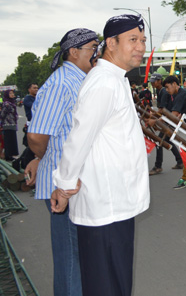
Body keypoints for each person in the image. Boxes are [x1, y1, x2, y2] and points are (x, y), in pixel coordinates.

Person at [51, 15, 150, 296]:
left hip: (116, 203)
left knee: (116, 284)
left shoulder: (114, 79)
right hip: (104, 208)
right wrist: (65, 183)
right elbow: (78, 139)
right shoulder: (103, 83)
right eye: (133, 40)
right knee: (106, 286)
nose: (140, 47)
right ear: (111, 43)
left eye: (142, 40)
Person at [26, 28, 99, 296]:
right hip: (63, 185)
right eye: (93, 47)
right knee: (71, 258)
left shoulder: (79, 80)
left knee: (79, 256)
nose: (97, 53)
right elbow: (36, 135)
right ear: (74, 52)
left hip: (73, 182)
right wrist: (43, 158)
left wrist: (39, 159)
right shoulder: (61, 83)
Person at [147, 73, 184, 175]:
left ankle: (158, 166)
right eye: (152, 81)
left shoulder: (163, 91)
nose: (153, 83)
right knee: (168, 141)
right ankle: (180, 161)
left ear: (160, 80)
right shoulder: (160, 91)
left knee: (159, 141)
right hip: (168, 119)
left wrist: (154, 118)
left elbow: (162, 109)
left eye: (155, 81)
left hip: (169, 119)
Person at [1, 90, 19, 161]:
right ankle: (8, 155)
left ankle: (11, 155)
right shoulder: (7, 103)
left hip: (12, 123)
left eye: (12, 93)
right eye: (10, 93)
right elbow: (2, 114)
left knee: (12, 139)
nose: (12, 94)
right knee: (8, 140)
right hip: (8, 124)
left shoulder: (12, 102)